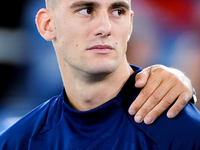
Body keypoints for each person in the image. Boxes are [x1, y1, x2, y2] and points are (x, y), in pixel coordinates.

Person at [0, 0, 199, 149]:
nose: (105, 27)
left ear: (130, 23)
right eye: (87, 10)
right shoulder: (15, 142)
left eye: (117, 11)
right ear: (47, 24)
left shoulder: (184, 132)